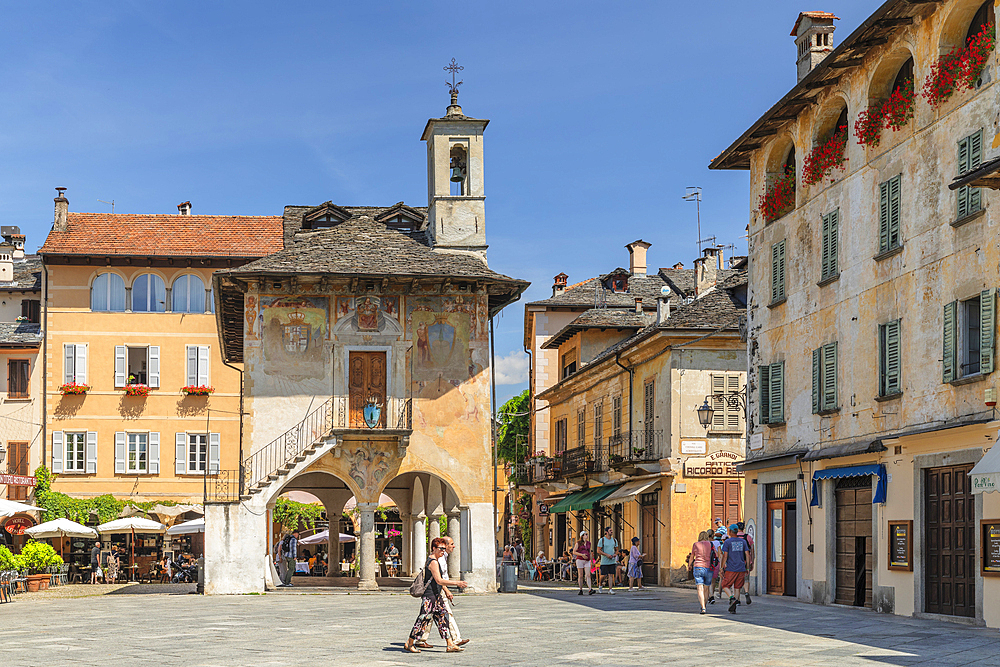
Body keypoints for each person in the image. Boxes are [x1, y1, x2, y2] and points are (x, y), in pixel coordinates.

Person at [404, 537, 468, 654]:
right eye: (440, 549)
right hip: (430, 596)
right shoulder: (433, 562)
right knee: (423, 619)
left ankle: (450, 644)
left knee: (443, 618)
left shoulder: (436, 560)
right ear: (434, 548)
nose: (443, 551)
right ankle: (410, 642)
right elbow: (439, 580)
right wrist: (456, 583)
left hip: (437, 595)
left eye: (444, 549)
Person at [720, 524, 753, 614]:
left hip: (731, 568)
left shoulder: (727, 542)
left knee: (725, 585)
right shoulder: (743, 542)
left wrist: (722, 567)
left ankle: (732, 598)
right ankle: (734, 606)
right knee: (737, 587)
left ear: (730, 532)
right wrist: (747, 567)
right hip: (741, 567)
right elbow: (747, 554)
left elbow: (725, 556)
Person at [689, 531, 716, 614]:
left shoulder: (695, 544)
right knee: (707, 588)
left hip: (698, 567)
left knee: (699, 588)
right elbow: (716, 555)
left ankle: (703, 607)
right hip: (709, 567)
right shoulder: (711, 544)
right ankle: (704, 604)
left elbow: (692, 556)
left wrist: (690, 565)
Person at [736, 521, 755, 606]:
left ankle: (737, 599)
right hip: (746, 561)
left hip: (736, 562)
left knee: (736, 580)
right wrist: (752, 561)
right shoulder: (748, 537)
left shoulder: (734, 537)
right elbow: (752, 550)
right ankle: (747, 592)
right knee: (746, 579)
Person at [596, 527, 619, 594]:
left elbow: (617, 549)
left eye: (612, 530)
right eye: (610, 530)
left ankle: (610, 589)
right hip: (604, 561)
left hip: (612, 560)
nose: (611, 531)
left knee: (611, 575)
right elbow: (598, 550)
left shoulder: (614, 540)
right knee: (603, 575)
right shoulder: (602, 540)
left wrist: (615, 554)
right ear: (606, 532)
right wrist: (606, 554)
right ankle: (600, 585)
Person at [572, 531, 594, 595]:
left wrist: (592, 561)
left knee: (588, 574)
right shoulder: (578, 543)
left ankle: (590, 589)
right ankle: (581, 589)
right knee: (581, 575)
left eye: (587, 534)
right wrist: (581, 555)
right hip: (580, 560)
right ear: (582, 536)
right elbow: (574, 551)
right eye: (586, 534)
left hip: (587, 560)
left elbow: (589, 552)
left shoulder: (589, 543)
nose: (587, 535)